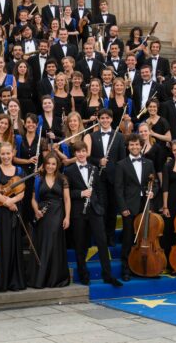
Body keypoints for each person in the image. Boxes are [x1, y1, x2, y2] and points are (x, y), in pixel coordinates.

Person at [63, 141, 122, 287]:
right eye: (78, 152)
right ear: (74, 154)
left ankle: (107, 275)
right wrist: (81, 193)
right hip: (79, 212)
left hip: (95, 211)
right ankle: (84, 275)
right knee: (80, 245)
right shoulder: (69, 171)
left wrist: (100, 207)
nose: (81, 154)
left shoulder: (94, 168)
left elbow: (100, 190)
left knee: (102, 242)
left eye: (83, 151)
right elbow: (67, 193)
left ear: (86, 152)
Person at [115, 134, 157, 281]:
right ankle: (126, 269)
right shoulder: (121, 164)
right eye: (131, 145)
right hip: (129, 206)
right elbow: (118, 189)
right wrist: (123, 208)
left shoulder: (149, 163)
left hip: (145, 204)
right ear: (128, 147)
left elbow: (155, 183)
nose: (134, 147)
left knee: (145, 236)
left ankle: (143, 265)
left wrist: (153, 192)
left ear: (141, 145)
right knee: (128, 238)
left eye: (137, 144)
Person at [0, 142, 27, 291]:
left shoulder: (20, 170)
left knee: (14, 244)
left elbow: (22, 192)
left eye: (8, 153)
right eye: (3, 154)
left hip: (15, 210)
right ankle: (0, 281)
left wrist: (12, 201)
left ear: (13, 153)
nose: (5, 156)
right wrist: (6, 202)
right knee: (2, 244)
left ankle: (13, 281)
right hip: (0, 212)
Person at [84, 109, 126, 246]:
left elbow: (122, 160)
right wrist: (98, 161)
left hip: (114, 179)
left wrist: (120, 179)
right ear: (99, 120)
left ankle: (110, 236)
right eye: (102, 118)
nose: (105, 120)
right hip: (98, 178)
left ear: (112, 119)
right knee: (100, 208)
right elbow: (88, 158)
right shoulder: (92, 136)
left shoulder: (119, 136)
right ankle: (100, 237)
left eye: (107, 118)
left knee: (113, 209)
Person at [29, 153, 71, 288]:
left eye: (53, 164)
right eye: (48, 163)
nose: (51, 166)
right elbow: (33, 199)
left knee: (52, 243)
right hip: (42, 214)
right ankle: (40, 278)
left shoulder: (62, 179)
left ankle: (53, 278)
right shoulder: (38, 179)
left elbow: (67, 199)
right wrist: (36, 211)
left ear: (57, 165)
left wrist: (67, 217)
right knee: (41, 243)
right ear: (44, 164)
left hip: (57, 213)